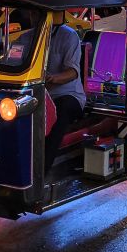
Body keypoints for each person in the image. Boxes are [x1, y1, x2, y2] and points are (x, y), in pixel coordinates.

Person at [44, 21, 86, 173]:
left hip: (67, 95)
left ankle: (42, 171)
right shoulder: (26, 36)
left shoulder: (69, 36)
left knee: (59, 110)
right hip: (39, 95)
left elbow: (72, 72)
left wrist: (52, 78)